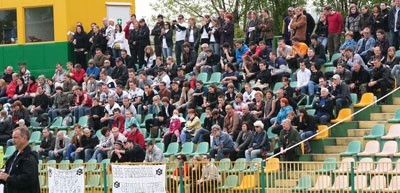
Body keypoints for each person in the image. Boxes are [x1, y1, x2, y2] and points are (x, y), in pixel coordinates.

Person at [0, 127, 40, 193]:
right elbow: (8, 173)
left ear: (24, 138)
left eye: (15, 137)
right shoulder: (14, 155)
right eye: (12, 137)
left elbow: (28, 179)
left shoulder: (29, 157)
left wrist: (8, 178)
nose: (13, 140)